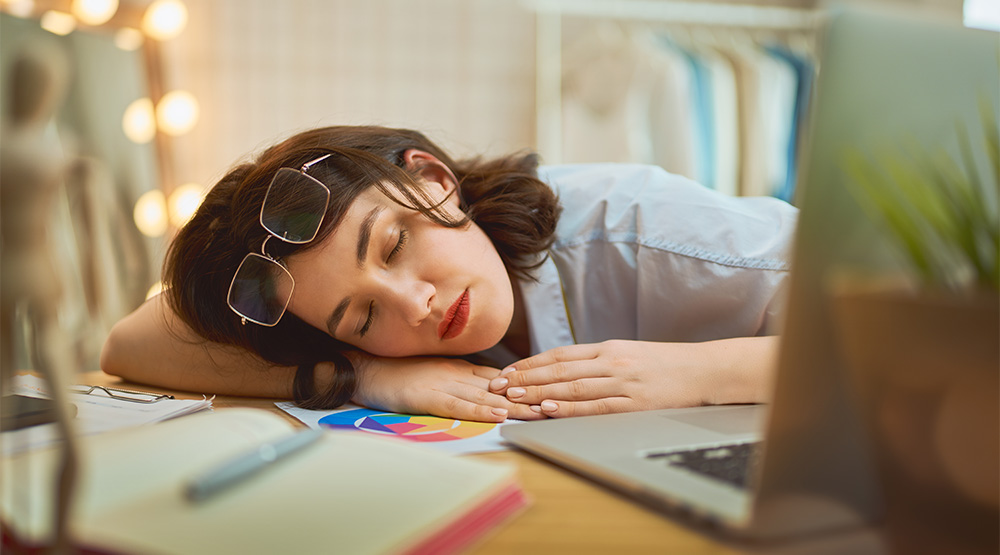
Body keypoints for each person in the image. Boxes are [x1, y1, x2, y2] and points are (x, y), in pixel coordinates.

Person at [100, 126, 797, 423]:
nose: (416, 305)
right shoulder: (377, 350)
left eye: (395, 245)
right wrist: (364, 374)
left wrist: (700, 375)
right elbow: (130, 341)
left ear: (432, 178)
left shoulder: (642, 230)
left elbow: (903, 325)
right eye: (363, 318)